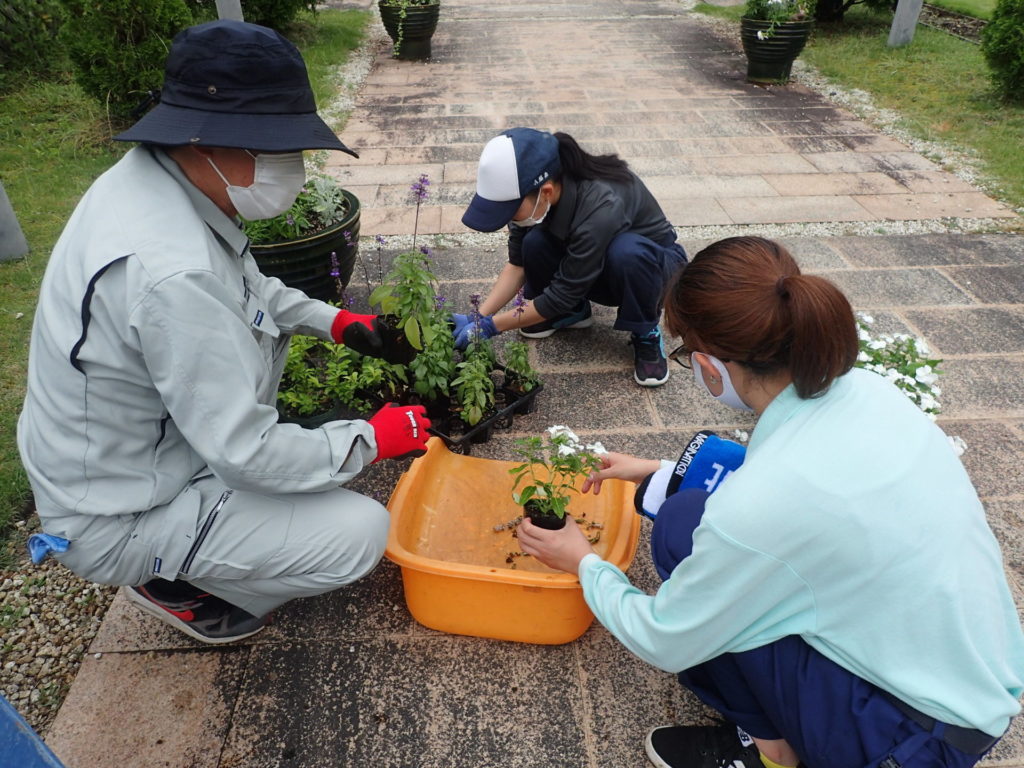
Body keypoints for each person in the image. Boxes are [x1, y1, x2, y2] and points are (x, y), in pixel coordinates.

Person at [517, 236, 1024, 768]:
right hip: (971, 682)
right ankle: (779, 741)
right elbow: (798, 500)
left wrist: (584, 563)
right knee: (686, 519)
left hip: (912, 740)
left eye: (686, 353)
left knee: (703, 572)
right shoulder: (870, 392)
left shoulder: (761, 505)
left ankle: (773, 758)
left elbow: (665, 637)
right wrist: (659, 473)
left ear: (710, 366)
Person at [16, 20, 431, 644]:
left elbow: (247, 286)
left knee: (299, 480)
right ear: (206, 139)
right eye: (275, 148)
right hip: (115, 513)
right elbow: (248, 451)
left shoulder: (155, 183)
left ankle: (203, 543)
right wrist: (369, 439)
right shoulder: (171, 271)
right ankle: (175, 581)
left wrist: (338, 323)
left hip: (130, 457)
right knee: (360, 534)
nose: (290, 166)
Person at [452, 128, 687, 387]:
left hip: (653, 268)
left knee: (627, 253)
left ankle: (646, 330)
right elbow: (517, 265)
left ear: (547, 191)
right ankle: (573, 313)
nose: (507, 218)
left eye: (510, 210)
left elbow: (561, 294)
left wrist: (491, 327)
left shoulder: (600, 204)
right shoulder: (530, 194)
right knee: (535, 242)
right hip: (595, 261)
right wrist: (477, 317)